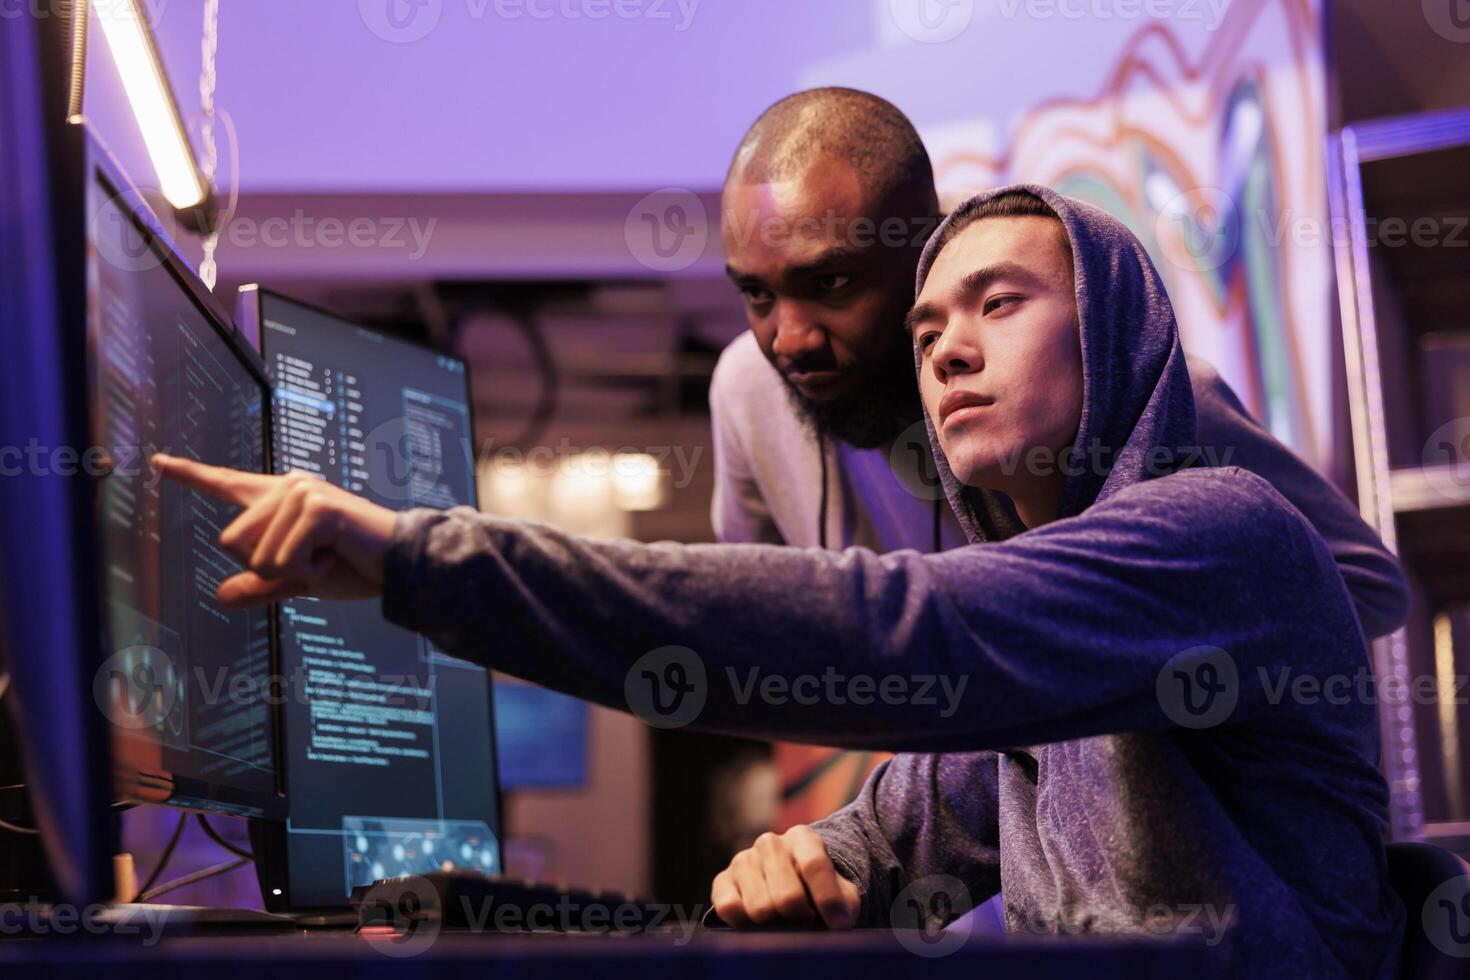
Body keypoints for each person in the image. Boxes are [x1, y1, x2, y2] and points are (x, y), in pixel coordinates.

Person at [153, 185, 1403, 977]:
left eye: (1000, 303)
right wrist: (813, 856)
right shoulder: (1041, 616)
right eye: (926, 333)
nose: (950, 346)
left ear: (1117, 327)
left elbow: (905, 638)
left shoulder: (1217, 534)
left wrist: (426, 559)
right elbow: (901, 825)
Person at [709, 88, 1408, 827]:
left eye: (831, 283)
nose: (790, 339)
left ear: (926, 243)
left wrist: (1125, 661)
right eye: (756, 295)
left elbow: (1363, 583)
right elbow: (784, 639)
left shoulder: (1148, 401)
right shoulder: (748, 393)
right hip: (964, 839)